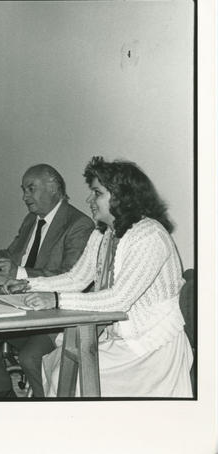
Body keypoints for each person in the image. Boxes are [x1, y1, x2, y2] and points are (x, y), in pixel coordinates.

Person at [16, 156, 193, 397]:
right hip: (120, 336)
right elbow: (76, 279)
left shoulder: (150, 236)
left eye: (97, 193)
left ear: (121, 197)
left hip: (150, 345)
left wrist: (56, 299)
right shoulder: (104, 234)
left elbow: (119, 300)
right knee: (58, 367)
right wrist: (28, 284)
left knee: (67, 375)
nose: (89, 199)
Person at [0, 164, 94, 398]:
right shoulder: (32, 219)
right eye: (23, 190)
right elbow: (12, 254)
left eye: (30, 189)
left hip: (52, 312)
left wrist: (20, 273)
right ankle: (1, 396)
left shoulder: (79, 225)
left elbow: (70, 277)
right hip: (18, 299)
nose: (25, 197)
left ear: (53, 187)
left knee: (30, 357)